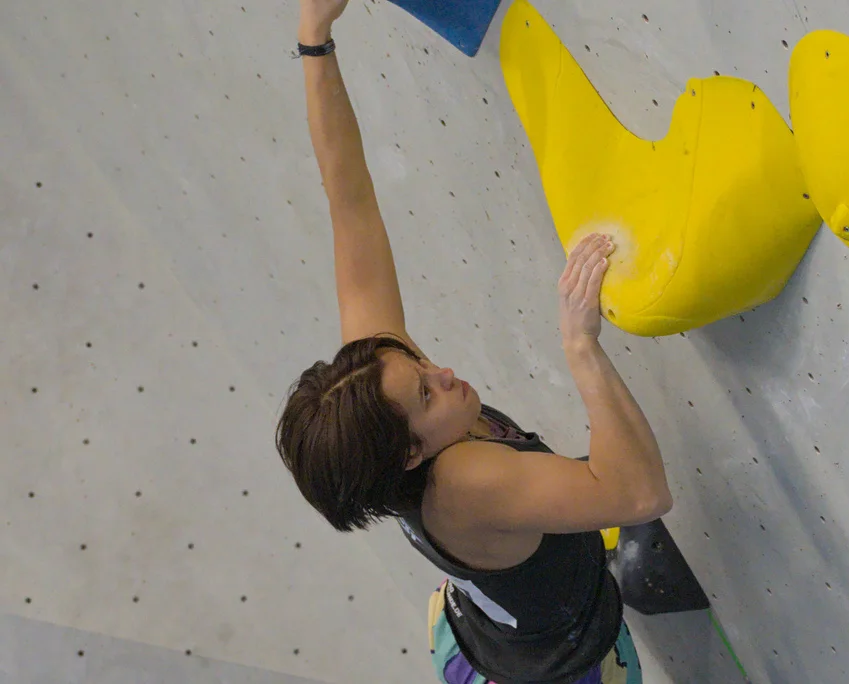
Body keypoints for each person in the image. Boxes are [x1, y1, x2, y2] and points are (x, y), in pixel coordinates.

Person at [275, 2, 673, 682]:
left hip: (476, 623)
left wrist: (315, 41)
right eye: (428, 394)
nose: (443, 372)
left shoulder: (378, 392)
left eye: (418, 364)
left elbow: (349, 200)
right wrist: (581, 349)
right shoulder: (467, 483)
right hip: (561, 668)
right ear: (410, 453)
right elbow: (641, 494)